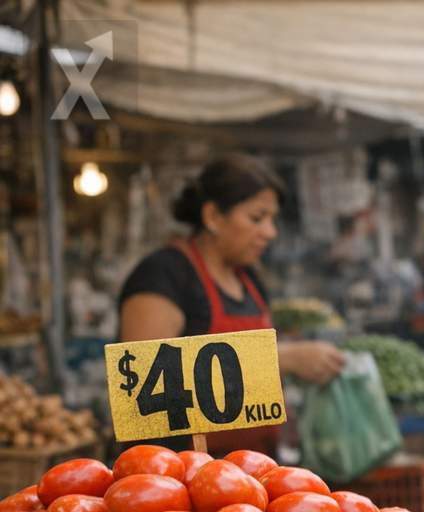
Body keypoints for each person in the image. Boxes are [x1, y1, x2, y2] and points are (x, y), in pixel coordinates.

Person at [119, 154, 345, 456]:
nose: (270, 232)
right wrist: (283, 359)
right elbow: (144, 393)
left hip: (252, 475)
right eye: (256, 218)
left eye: (272, 219)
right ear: (212, 216)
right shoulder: (164, 274)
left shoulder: (249, 279)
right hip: (178, 482)